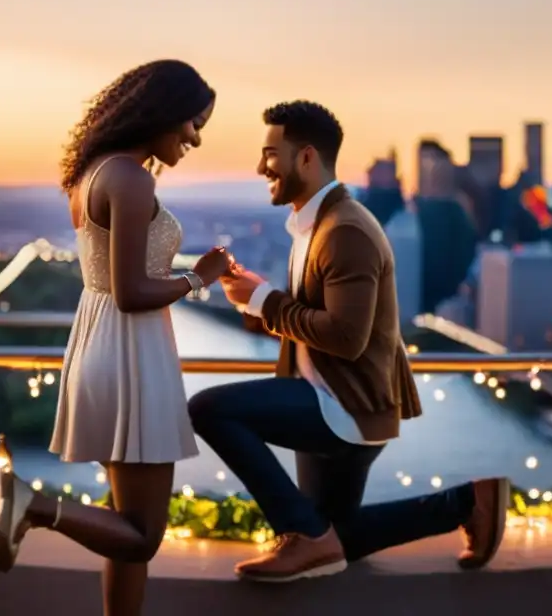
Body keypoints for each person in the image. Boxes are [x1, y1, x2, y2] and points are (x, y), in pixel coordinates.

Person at [187, 101, 509, 583]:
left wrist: (264, 302)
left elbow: (346, 338)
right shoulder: (314, 226)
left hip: (343, 405)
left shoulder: (347, 230)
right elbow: (309, 320)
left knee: (209, 409)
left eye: (270, 154)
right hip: (330, 396)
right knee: (336, 538)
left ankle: (302, 535)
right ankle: (469, 501)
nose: (260, 167)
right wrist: (254, 300)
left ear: (307, 159)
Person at [0, 59, 233, 616]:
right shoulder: (131, 178)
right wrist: (201, 278)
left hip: (100, 345)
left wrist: (189, 269)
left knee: (125, 528)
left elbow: (118, 274)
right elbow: (132, 292)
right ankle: (32, 505)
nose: (195, 138)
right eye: (193, 123)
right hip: (131, 355)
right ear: (162, 112)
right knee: (144, 535)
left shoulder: (94, 171)